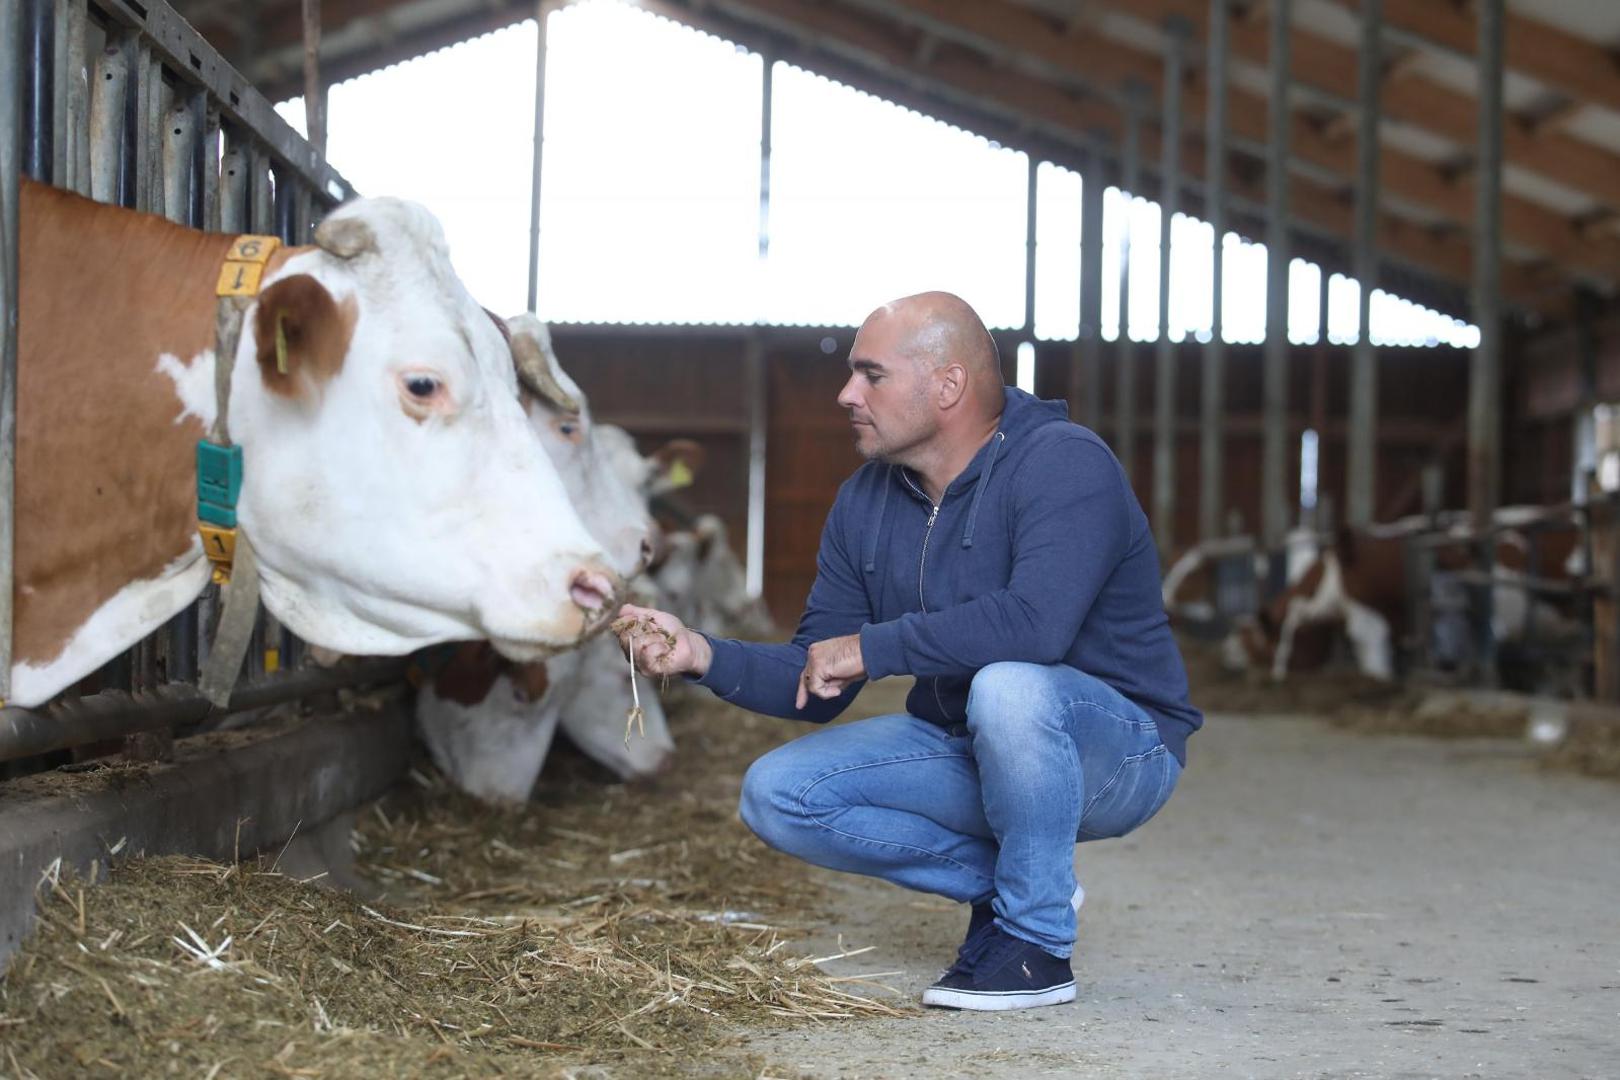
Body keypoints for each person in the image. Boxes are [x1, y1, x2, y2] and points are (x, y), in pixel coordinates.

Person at [614, 291, 1201, 1012]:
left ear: (947, 385)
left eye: (871, 374)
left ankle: (1037, 945)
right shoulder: (865, 502)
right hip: (971, 743)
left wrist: (875, 646)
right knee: (777, 794)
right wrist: (702, 653)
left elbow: (1036, 626)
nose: (845, 393)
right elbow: (818, 676)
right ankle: (1019, 879)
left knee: (1010, 686)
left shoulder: (1064, 464)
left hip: (1119, 753)